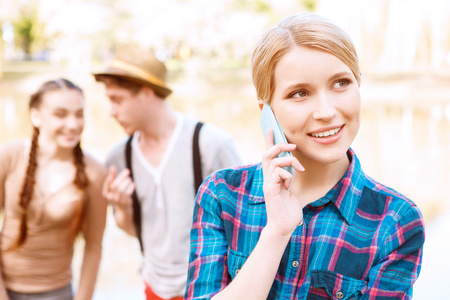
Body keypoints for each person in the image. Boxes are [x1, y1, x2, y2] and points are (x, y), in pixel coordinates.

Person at [184, 13, 425, 300]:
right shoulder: (222, 195)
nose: (325, 111)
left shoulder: (395, 222)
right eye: (300, 93)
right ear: (266, 111)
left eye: (340, 83)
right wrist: (276, 233)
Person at [94, 45, 242, 300]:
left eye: (117, 100)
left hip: (210, 289)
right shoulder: (119, 156)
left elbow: (245, 225)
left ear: (147, 93)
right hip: (154, 287)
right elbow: (133, 230)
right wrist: (124, 208)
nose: (111, 112)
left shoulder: (210, 144)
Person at [0, 78, 107, 300]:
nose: (73, 124)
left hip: (57, 293)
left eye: (79, 114)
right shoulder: (8, 157)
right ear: (36, 116)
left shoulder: (94, 173)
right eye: (60, 114)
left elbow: (94, 247)